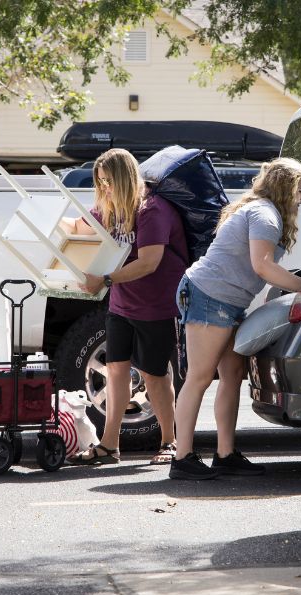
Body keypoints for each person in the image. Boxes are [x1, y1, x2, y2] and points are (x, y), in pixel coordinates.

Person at [169, 157, 301, 480]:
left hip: (225, 300)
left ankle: (225, 454)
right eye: (299, 191)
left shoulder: (262, 211)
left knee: (232, 374)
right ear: (284, 189)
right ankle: (182, 458)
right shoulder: (264, 215)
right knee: (200, 377)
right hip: (210, 296)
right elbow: (262, 265)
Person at [62, 148, 188, 466]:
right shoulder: (112, 208)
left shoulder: (152, 210)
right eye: (100, 182)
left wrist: (103, 279)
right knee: (116, 370)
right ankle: (109, 446)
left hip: (156, 306)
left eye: (110, 182)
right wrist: (50, 226)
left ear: (126, 178)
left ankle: (169, 442)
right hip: (122, 305)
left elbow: (149, 262)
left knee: (155, 374)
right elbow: (79, 226)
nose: (105, 188)